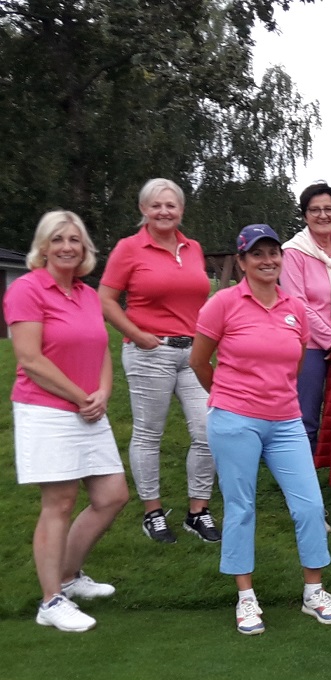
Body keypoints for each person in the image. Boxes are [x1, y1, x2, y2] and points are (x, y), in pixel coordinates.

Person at [190, 225, 331, 635]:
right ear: (241, 261)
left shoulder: (294, 307)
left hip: (285, 420)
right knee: (241, 509)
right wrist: (227, 397)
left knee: (309, 506)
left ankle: (314, 592)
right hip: (234, 420)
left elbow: (294, 364)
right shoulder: (222, 304)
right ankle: (246, 599)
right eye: (256, 254)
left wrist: (271, 396)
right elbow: (199, 362)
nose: (267, 260)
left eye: (273, 253)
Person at [6, 211, 129, 632]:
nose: (67, 247)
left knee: (112, 495)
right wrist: (81, 397)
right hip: (46, 410)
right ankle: (50, 601)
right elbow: (30, 359)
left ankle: (69, 577)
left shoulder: (88, 294)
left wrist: (104, 393)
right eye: (57, 239)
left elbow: (102, 350)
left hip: (88, 408)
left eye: (75, 240)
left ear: (85, 249)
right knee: (58, 504)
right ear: (43, 247)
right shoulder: (26, 290)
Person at [98, 178, 219, 544]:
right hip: (150, 351)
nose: (164, 211)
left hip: (193, 353)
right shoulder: (129, 248)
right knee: (149, 434)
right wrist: (137, 335)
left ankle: (197, 512)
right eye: (156, 205)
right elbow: (105, 299)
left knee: (208, 431)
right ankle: (152, 513)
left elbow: (200, 299)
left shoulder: (193, 247)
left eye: (171, 205)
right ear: (143, 210)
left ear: (181, 209)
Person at [281, 182, 331, 453]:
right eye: (315, 210)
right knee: (307, 416)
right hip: (310, 345)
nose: (323, 215)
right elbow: (298, 305)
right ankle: (301, 478)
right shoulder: (293, 252)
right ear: (304, 215)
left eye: (329, 209)